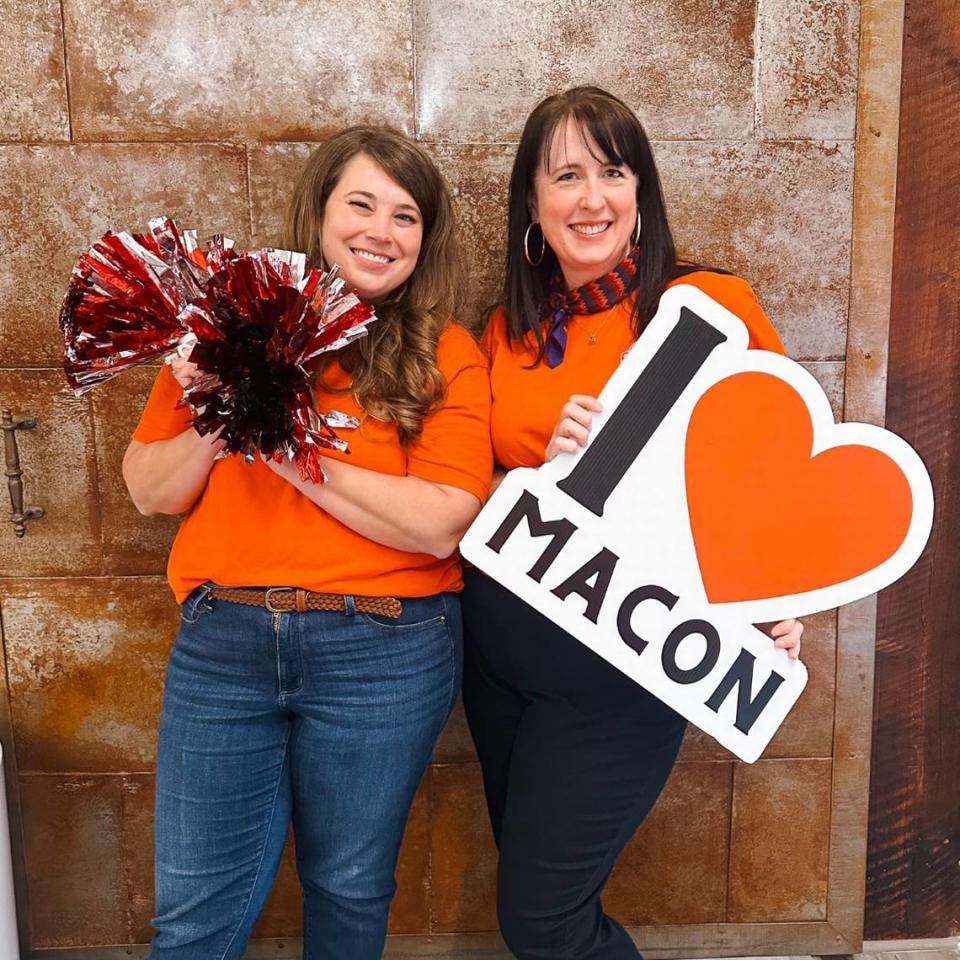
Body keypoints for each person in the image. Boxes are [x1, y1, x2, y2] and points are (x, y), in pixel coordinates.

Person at [123, 126, 492, 960]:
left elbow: (438, 517)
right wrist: (225, 408)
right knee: (190, 914)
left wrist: (282, 444)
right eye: (359, 204)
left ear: (423, 241)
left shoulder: (444, 354)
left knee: (350, 888)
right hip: (224, 645)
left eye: (405, 217)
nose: (380, 231)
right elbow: (151, 490)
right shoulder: (222, 329)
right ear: (318, 215)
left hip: (386, 649)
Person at [460, 86, 804, 960]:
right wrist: (539, 466)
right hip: (498, 659)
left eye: (612, 172)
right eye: (565, 176)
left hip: (622, 665)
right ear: (532, 206)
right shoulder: (508, 330)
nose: (591, 198)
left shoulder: (709, 306)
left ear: (641, 191)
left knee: (540, 920)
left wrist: (774, 597)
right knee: (544, 894)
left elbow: (771, 474)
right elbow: (479, 480)